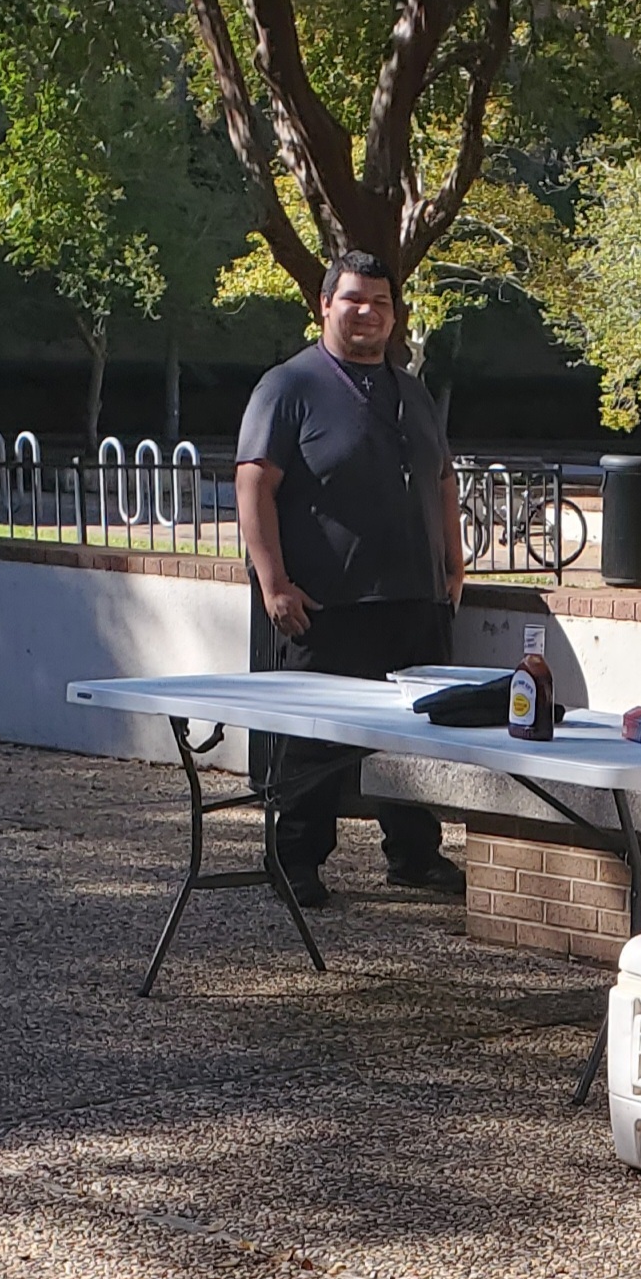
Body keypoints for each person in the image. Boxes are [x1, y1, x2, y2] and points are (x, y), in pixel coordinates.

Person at [235, 251, 465, 908]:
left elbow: (443, 479)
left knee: (418, 739)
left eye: (381, 303)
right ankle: (296, 862)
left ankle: (415, 855)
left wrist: (452, 565)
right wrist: (272, 580)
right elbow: (254, 481)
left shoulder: (410, 390)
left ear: (395, 316)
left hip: (414, 600)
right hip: (325, 605)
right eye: (354, 300)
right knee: (311, 743)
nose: (368, 313)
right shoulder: (288, 387)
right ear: (325, 304)